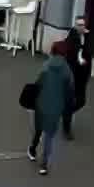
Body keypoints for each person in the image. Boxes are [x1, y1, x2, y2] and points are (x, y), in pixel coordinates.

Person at [29, 41, 75, 175]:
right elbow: (70, 90)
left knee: (38, 128)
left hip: (41, 103)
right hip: (56, 106)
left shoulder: (46, 65)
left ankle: (32, 149)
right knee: (49, 136)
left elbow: (38, 83)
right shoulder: (67, 70)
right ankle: (43, 165)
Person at [62, 15, 93, 140]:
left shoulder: (87, 37)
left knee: (81, 101)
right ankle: (66, 128)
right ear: (75, 26)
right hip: (71, 75)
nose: (80, 27)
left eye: (82, 25)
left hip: (82, 77)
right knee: (70, 102)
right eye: (78, 25)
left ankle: (65, 113)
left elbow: (89, 54)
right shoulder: (72, 38)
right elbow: (71, 53)